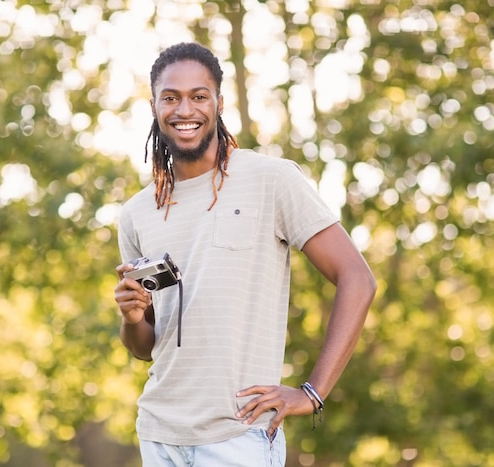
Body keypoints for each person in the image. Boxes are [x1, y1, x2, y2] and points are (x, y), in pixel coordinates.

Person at [113, 42, 376, 467]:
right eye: (171, 97)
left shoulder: (270, 179)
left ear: (219, 102)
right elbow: (146, 346)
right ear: (154, 106)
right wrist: (130, 317)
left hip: (238, 436)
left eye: (199, 96)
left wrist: (313, 392)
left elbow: (358, 278)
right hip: (159, 435)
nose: (185, 110)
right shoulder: (137, 213)